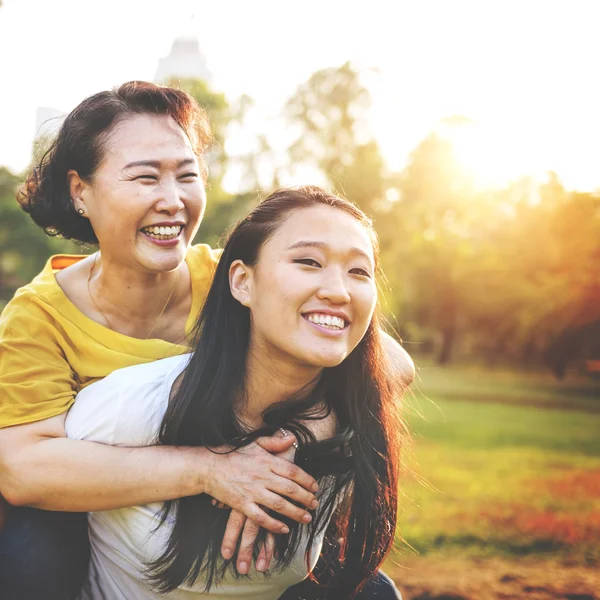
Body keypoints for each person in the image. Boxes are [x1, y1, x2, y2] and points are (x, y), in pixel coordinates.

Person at [0, 81, 412, 599]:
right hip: (96, 528)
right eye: (145, 178)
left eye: (187, 175)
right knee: (30, 551)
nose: (172, 201)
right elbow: (24, 469)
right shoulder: (37, 318)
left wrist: (286, 445)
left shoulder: (229, 280)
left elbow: (385, 364)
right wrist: (213, 470)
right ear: (80, 190)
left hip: (222, 524)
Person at [64, 186, 407, 599]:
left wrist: (303, 431)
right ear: (243, 282)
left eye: (359, 272)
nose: (339, 291)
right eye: (308, 262)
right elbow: (26, 478)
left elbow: (397, 369)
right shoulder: (138, 403)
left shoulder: (348, 423)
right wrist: (208, 471)